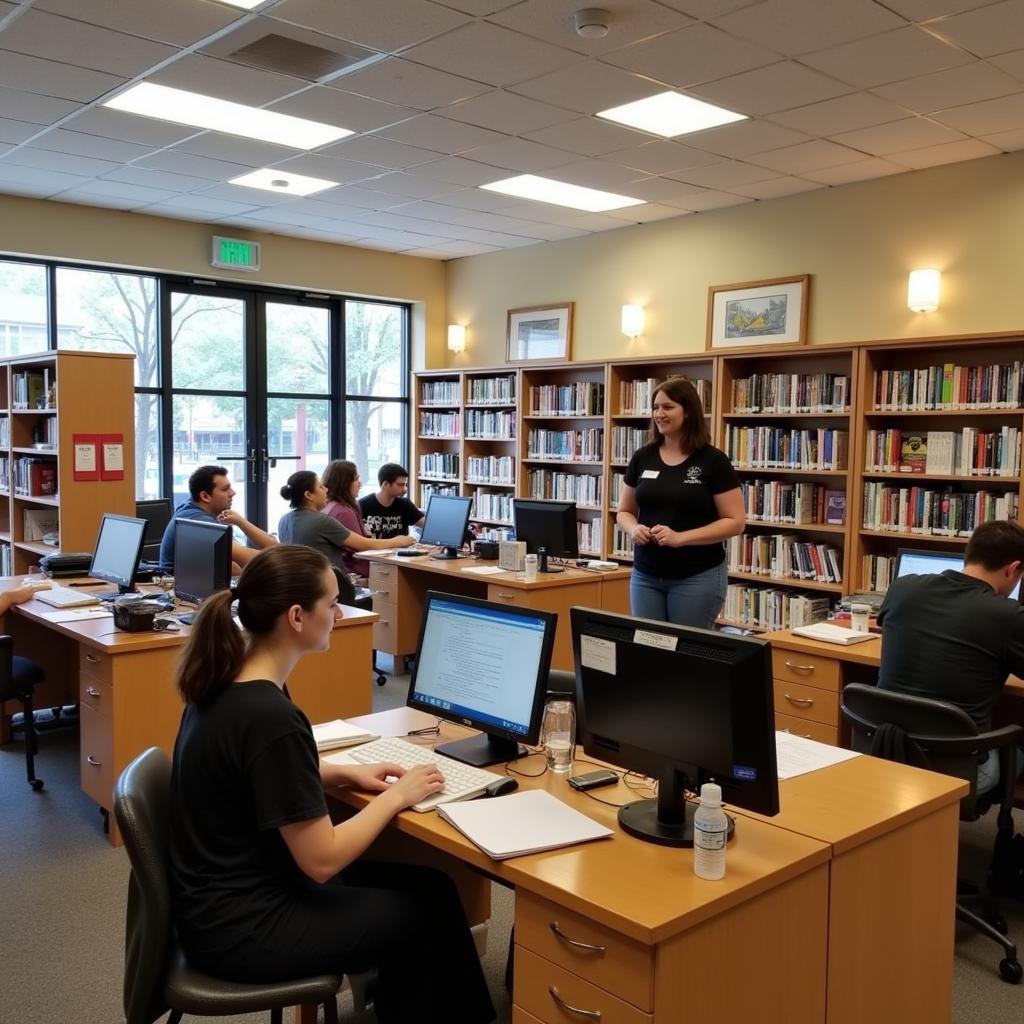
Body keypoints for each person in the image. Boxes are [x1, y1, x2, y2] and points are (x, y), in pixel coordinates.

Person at [168, 545, 495, 1023]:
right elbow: (322, 860)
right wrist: (398, 798)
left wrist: (344, 772)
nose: (340, 612)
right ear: (297, 617)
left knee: (435, 887)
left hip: (221, 900)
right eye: (331, 602)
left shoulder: (226, 679)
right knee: (420, 916)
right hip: (244, 928)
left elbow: (251, 775)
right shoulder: (269, 716)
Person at [877, 519, 1024, 793]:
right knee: (1018, 747)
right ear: (1013, 568)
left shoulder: (903, 587)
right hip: (960, 767)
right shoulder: (1007, 616)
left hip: (887, 748)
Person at [615, 377, 744, 629]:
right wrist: (633, 529)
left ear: (688, 411)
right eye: (655, 407)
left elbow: (735, 522)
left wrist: (680, 538)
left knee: (684, 655)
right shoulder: (642, 457)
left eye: (668, 407)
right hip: (646, 574)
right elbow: (624, 511)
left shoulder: (713, 461)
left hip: (696, 576)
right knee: (648, 649)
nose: (659, 414)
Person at [277, 469, 414, 569]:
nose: (326, 489)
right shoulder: (322, 521)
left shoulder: (284, 520)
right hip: (324, 584)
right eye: (320, 486)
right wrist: (398, 541)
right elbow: (365, 545)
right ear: (308, 495)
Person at [159, 465, 277, 570]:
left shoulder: (192, 508)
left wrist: (241, 522)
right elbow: (263, 561)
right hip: (176, 589)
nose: (233, 493)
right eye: (225, 489)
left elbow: (273, 547)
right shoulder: (198, 522)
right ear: (205, 496)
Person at [321, 459, 371, 582]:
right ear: (344, 483)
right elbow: (362, 546)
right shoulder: (344, 512)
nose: (360, 483)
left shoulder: (327, 506)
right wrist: (398, 543)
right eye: (356, 479)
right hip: (356, 575)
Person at [359, 463, 424, 540]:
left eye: (405, 485)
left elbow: (427, 525)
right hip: (373, 551)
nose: (405, 489)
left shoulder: (405, 504)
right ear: (385, 484)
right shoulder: (362, 505)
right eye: (400, 485)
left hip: (400, 551)